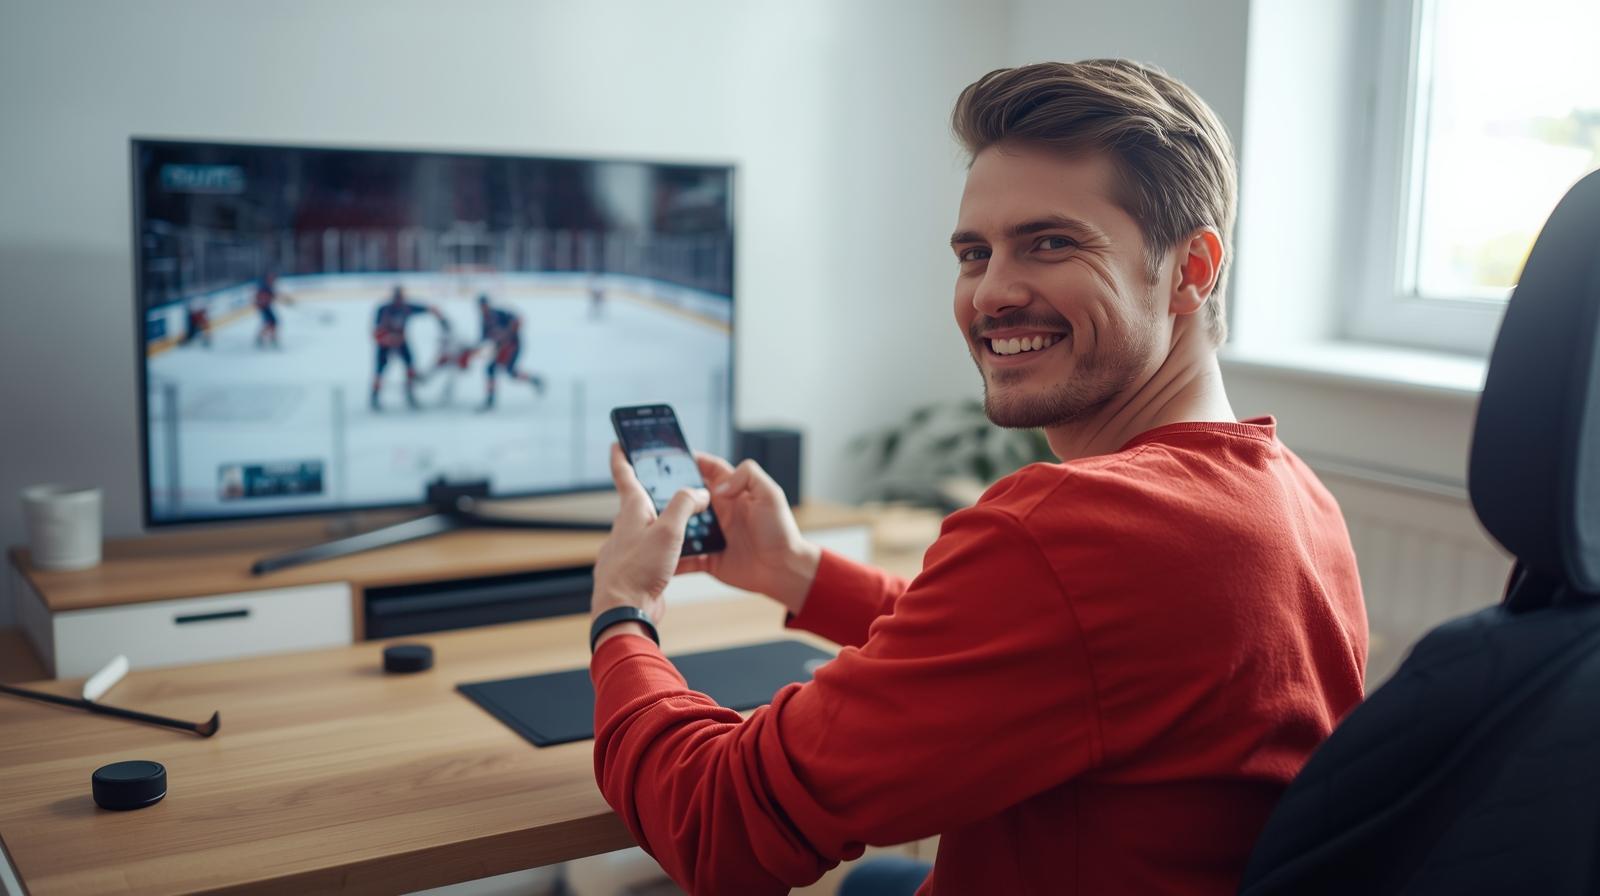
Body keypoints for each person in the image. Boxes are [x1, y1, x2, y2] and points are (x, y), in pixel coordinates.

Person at [585, 60, 1368, 896]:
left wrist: (622, 613)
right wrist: (796, 573)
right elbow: (1056, 648)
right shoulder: (1287, 490)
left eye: (1052, 242)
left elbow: (719, 821)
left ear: (1193, 268)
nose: (991, 293)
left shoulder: (1073, 528)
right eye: (973, 252)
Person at [371, 286, 447, 411]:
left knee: (410, 366)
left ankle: (410, 394)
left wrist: (440, 317)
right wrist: (388, 339)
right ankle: (374, 397)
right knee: (379, 371)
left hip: (401, 342)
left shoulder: (406, 308)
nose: (399, 301)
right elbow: (376, 331)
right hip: (385, 343)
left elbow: (427, 309)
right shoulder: (384, 310)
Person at [475, 294, 545, 410]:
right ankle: (490, 399)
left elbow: (518, 319)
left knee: (510, 372)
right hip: (500, 348)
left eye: (484, 306)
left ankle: (533, 379)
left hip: (513, 346)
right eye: (481, 307)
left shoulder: (498, 314)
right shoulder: (484, 321)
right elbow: (483, 339)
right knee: (491, 369)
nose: (483, 309)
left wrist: (508, 333)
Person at [253, 273, 291, 349]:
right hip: (264, 308)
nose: (273, 281)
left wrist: (285, 300)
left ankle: (268, 338)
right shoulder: (264, 287)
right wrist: (267, 300)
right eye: (272, 279)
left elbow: (274, 295)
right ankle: (264, 338)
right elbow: (263, 298)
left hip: (266, 307)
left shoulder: (268, 286)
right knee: (270, 323)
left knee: (273, 323)